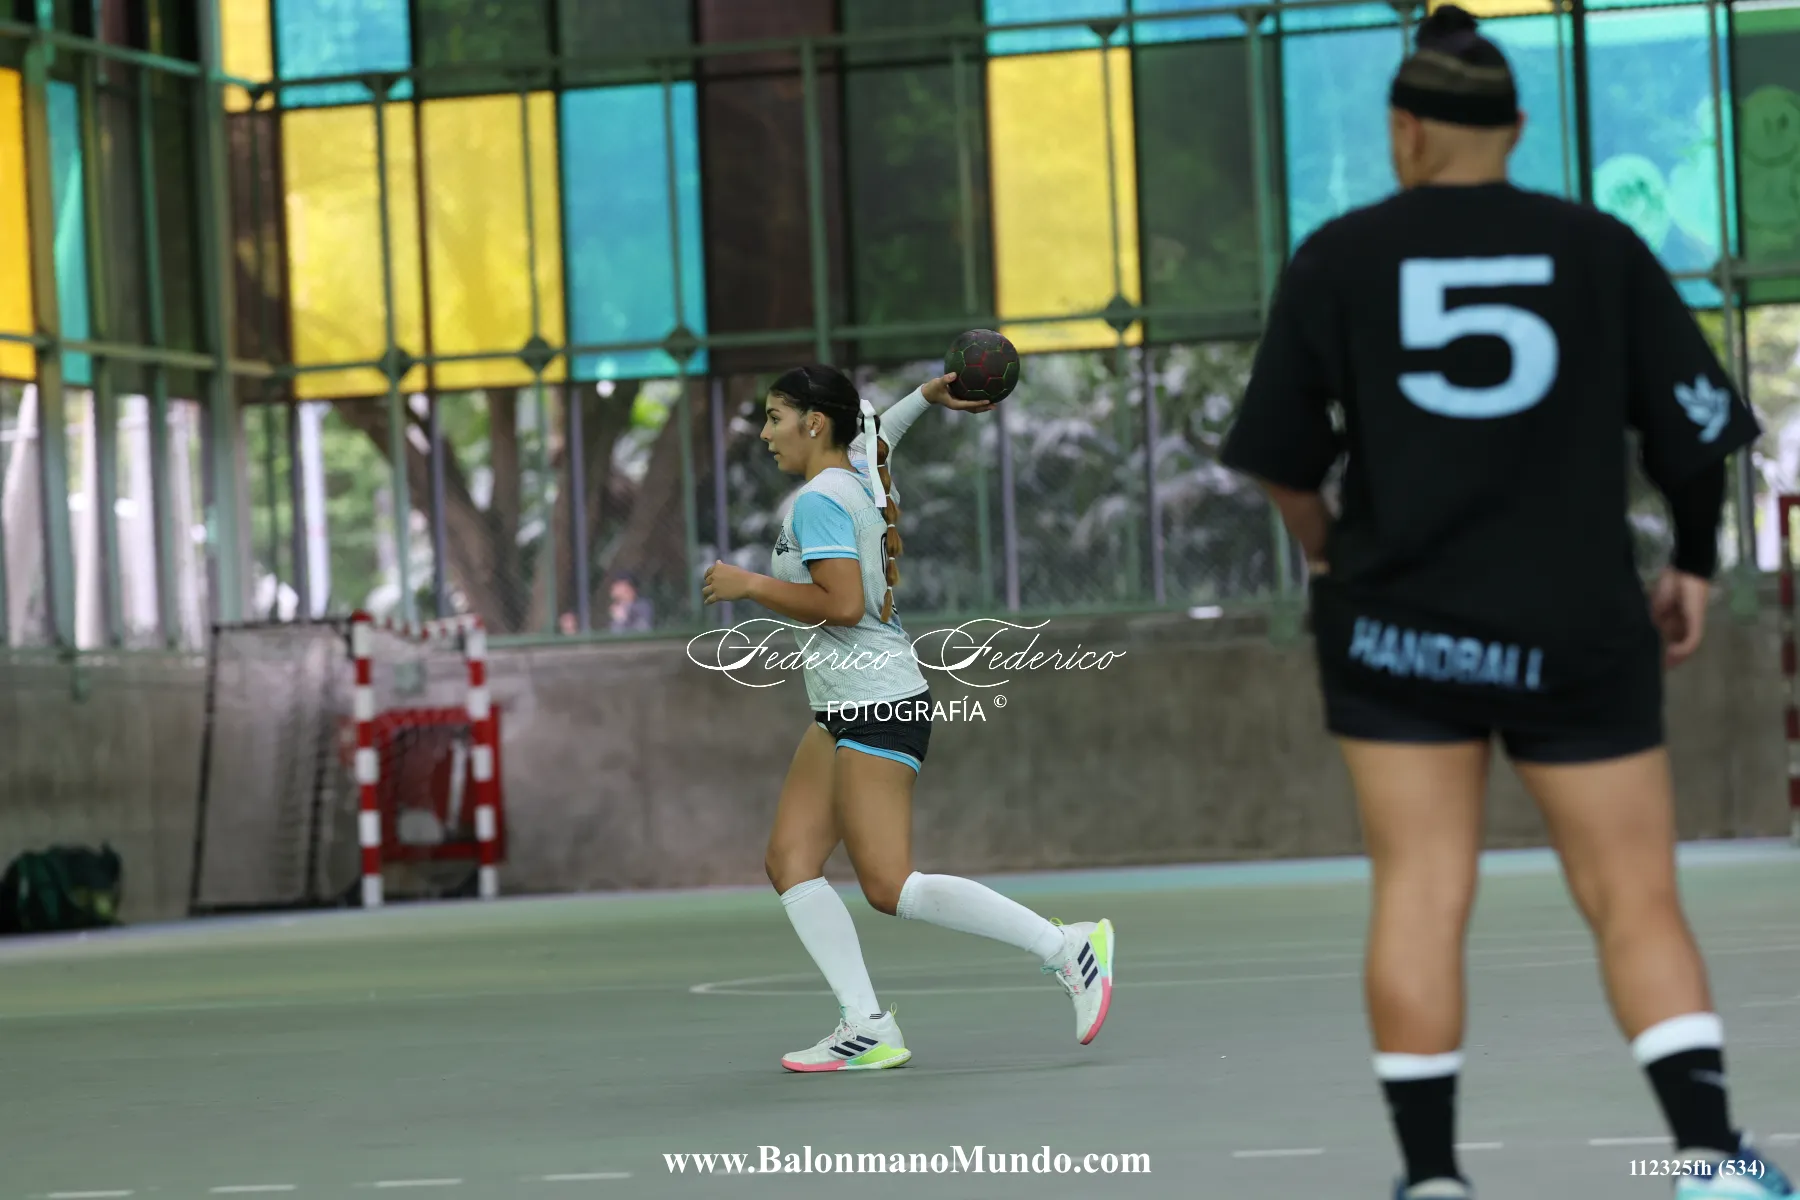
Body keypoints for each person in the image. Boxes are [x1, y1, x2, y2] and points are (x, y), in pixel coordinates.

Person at [1218, 8, 1792, 1199]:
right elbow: (1696, 434)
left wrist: (1326, 556)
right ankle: (1709, 1163)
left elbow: (1281, 457)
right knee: (1633, 897)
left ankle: (1433, 1179)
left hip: (1396, 631)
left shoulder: (1339, 256)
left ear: (1404, 130)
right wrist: (1691, 563)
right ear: (1518, 129)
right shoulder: (1598, 248)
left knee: (1422, 891)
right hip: (1575, 625)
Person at [701, 364, 1116, 1071]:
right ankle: (866, 1025)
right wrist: (927, 395)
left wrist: (751, 585)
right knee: (791, 860)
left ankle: (1068, 948)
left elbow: (842, 605)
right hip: (840, 706)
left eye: (775, 417)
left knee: (891, 886)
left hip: (878, 703)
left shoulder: (819, 501)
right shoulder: (857, 470)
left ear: (814, 423)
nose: (765, 433)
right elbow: (876, 431)